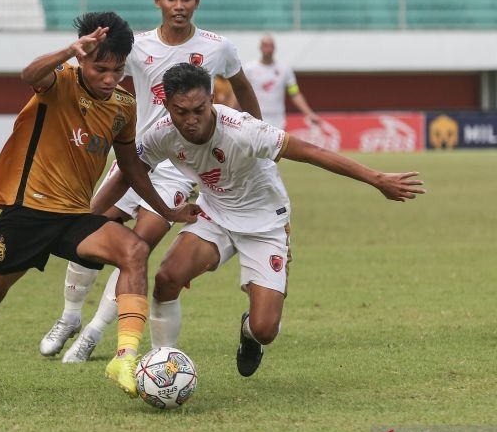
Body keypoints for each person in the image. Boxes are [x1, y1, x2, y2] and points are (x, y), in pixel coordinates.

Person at [0, 12, 200, 400]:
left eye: (118, 70)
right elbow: (29, 74)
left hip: (75, 217)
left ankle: (124, 358)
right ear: (81, 59)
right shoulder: (58, 82)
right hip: (26, 216)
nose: (110, 79)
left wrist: (167, 209)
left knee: (135, 251)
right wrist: (67, 52)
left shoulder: (123, 107)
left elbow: (131, 169)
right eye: (100, 68)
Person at [99, 63, 424, 376]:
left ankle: (248, 332)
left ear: (212, 98)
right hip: (215, 213)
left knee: (265, 329)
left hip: (265, 222)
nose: (191, 120)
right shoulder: (161, 134)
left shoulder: (244, 131)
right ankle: (161, 364)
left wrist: (377, 179)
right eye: (181, 112)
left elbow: (313, 152)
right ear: (166, 105)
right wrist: (88, 216)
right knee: (167, 278)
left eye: (199, 109)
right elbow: (130, 171)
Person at [39, 0, 263, 364]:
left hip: (180, 167)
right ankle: (70, 317)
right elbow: (95, 76)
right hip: (136, 155)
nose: (179, 5)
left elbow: (243, 87)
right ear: (157, 0)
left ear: (197, 0)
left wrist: (256, 141)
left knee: (137, 248)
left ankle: (93, 333)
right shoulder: (138, 46)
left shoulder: (218, 47)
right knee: (89, 227)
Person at [240, 34, 323, 129]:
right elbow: (240, 91)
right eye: (265, 46)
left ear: (274, 48)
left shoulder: (285, 70)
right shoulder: (249, 69)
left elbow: (295, 93)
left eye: (270, 46)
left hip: (278, 121)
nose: (268, 50)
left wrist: (309, 114)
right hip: (255, 120)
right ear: (260, 47)